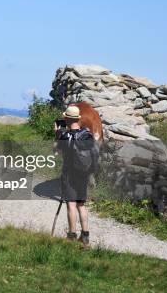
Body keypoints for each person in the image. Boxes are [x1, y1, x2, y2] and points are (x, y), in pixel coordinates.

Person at [54, 105, 99, 247]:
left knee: (71, 205)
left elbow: (58, 151)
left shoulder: (65, 136)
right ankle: (85, 236)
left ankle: (71, 235)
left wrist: (57, 134)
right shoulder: (87, 134)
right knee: (81, 205)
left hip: (70, 174)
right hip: (84, 173)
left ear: (66, 118)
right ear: (78, 119)